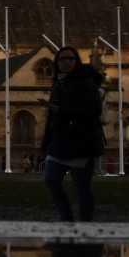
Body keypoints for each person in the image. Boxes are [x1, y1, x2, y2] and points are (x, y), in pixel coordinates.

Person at [40, 46, 105, 222]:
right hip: (59, 141)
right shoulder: (58, 82)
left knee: (82, 187)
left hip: (81, 141)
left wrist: (60, 110)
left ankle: (85, 223)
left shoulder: (86, 82)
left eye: (70, 59)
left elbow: (93, 110)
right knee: (51, 180)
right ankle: (66, 217)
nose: (66, 62)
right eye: (62, 59)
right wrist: (45, 143)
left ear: (77, 61)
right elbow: (52, 119)